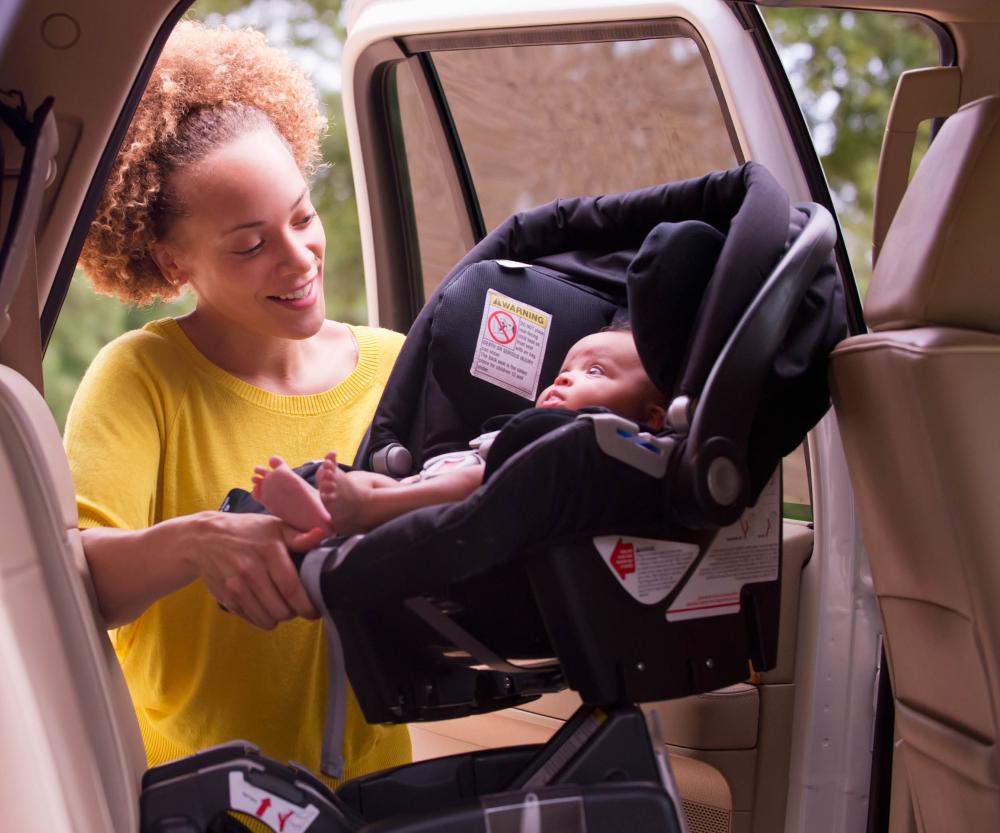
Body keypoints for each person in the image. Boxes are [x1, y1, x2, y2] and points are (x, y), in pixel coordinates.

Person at [64, 21, 410, 785]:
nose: (297, 258)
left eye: (303, 215)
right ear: (171, 260)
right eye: (250, 245)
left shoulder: (394, 363)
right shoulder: (142, 376)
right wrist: (198, 541)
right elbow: (76, 578)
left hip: (381, 794)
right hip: (199, 800)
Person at [251, 326, 667, 536]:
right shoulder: (548, 423)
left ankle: (362, 510)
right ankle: (324, 509)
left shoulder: (627, 446)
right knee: (371, 477)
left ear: (651, 416)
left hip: (486, 487)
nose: (564, 379)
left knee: (475, 479)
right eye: (564, 370)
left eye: (594, 371)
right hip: (449, 472)